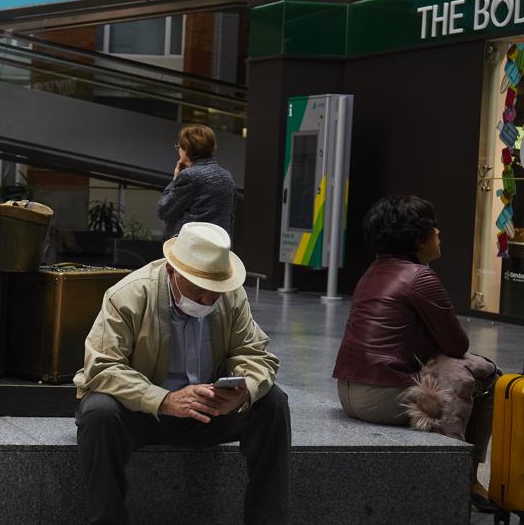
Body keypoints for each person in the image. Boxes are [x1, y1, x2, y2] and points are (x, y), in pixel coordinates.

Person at [74, 221, 290, 525]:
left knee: (273, 403)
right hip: (142, 410)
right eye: (198, 290)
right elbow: (102, 366)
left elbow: (256, 355)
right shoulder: (129, 295)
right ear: (173, 271)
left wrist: (242, 392)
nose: (206, 300)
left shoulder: (230, 295)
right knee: (99, 411)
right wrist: (164, 400)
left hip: (205, 410)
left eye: (214, 293)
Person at [333, 195, 497, 511]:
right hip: (382, 398)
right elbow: (456, 345)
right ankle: (467, 478)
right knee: (484, 375)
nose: (440, 233)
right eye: (435, 227)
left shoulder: (372, 272)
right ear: (420, 238)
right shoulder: (421, 277)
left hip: (348, 391)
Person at [156, 123, 236, 240]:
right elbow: (230, 219)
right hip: (217, 250)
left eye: (180, 146)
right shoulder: (227, 176)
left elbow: (163, 210)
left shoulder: (190, 176)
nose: (179, 150)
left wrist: (175, 179)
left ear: (187, 149)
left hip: (190, 250)